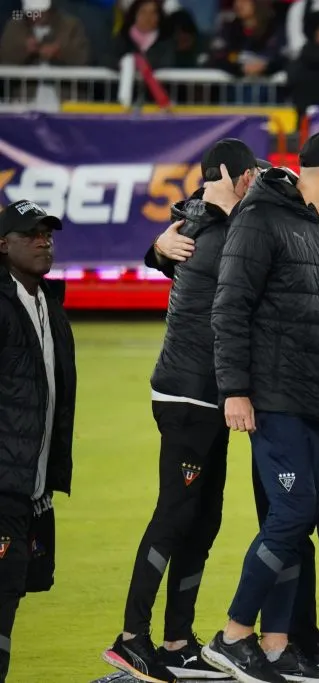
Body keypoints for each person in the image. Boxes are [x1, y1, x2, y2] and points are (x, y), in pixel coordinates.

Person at [200, 129, 319, 683]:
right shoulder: (259, 219)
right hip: (276, 402)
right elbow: (230, 308)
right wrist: (235, 390)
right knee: (293, 516)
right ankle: (232, 636)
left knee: (292, 524)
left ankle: (276, 647)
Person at [102, 139, 262, 683]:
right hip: (190, 396)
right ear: (228, 175)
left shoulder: (196, 227)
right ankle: (130, 640)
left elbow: (181, 241)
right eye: (246, 175)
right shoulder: (215, 235)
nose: (252, 183)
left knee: (203, 518)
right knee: (175, 515)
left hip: (204, 395)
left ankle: (175, 640)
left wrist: (156, 250)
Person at [0, 200, 77, 683]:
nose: (43, 240)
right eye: (31, 234)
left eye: (47, 233)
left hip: (33, 484)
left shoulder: (48, 301)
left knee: (17, 589)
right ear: (2, 244)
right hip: (4, 480)